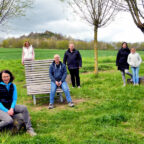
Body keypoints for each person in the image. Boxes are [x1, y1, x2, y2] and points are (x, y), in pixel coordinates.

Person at [0, 70, 37, 136]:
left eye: (7, 76)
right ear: (1, 77)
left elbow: (14, 99)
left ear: (10, 76)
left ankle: (29, 129)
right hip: (1, 108)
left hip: (10, 106)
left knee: (24, 108)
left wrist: (11, 108)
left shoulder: (13, 85)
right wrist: (6, 111)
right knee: (9, 120)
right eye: (4, 77)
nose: (6, 78)